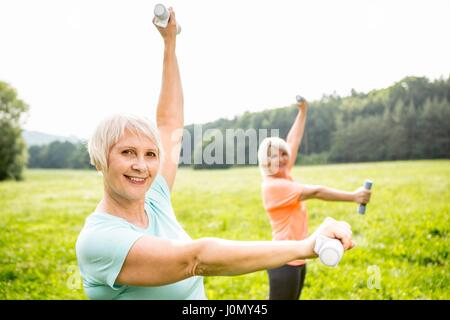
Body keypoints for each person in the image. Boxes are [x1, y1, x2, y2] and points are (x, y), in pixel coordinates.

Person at [75, 8, 356, 300]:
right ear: (100, 159)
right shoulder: (99, 241)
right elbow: (195, 259)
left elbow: (169, 122)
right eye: (127, 152)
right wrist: (304, 246)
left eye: (150, 154)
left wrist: (169, 44)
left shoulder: (154, 198)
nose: (142, 166)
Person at [257, 98, 372, 300]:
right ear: (266, 162)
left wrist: (302, 112)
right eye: (276, 156)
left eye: (284, 155)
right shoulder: (274, 186)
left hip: (296, 257)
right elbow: (317, 191)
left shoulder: (283, 173)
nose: (283, 159)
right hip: (283, 261)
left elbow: (293, 141)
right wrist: (354, 196)